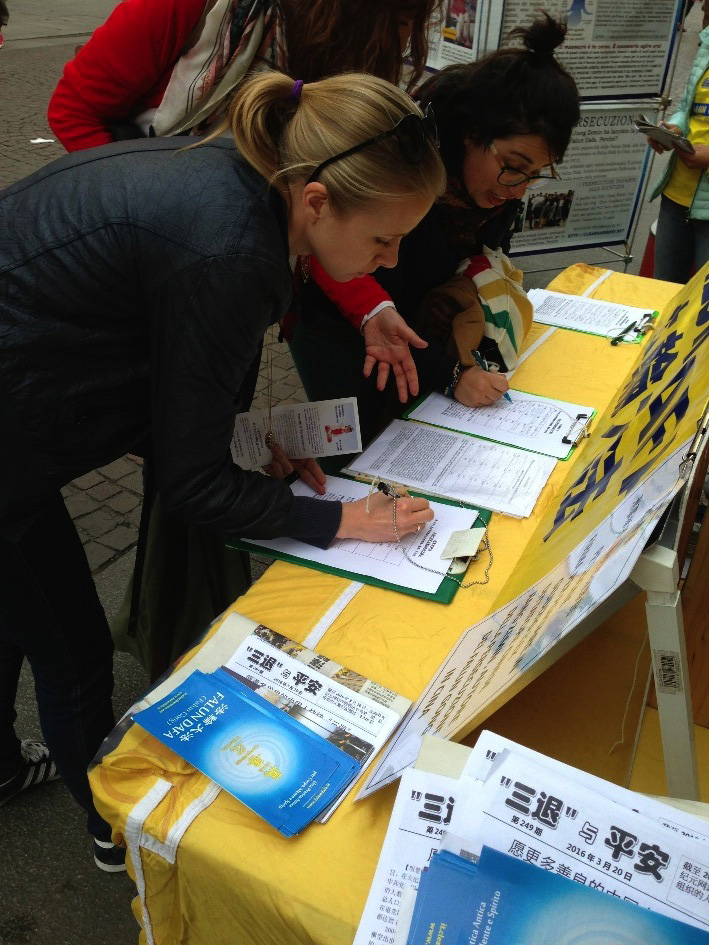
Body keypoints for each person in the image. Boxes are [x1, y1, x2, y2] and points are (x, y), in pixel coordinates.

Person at [0, 71, 443, 869]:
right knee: (73, 652)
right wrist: (344, 519)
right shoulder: (234, 249)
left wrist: (235, 437)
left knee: (21, 602)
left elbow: (153, 368)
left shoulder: (239, 174)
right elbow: (194, 485)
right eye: (383, 240)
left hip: (26, 396)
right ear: (317, 202)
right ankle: (114, 832)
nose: (391, 259)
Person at [288, 13, 581, 445]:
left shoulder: (493, 186)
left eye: (536, 174)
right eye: (514, 167)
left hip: (412, 331)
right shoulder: (409, 172)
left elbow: (484, 255)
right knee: (350, 446)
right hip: (347, 320)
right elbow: (360, 283)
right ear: (471, 133)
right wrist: (451, 375)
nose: (519, 190)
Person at [47, 0, 441, 152]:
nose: (405, 42)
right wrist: (139, 213)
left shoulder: (332, 55)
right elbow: (73, 110)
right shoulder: (194, 7)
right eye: (402, 21)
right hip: (143, 236)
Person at [648, 25, 709, 284]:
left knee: (703, 301)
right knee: (663, 291)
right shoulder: (707, 42)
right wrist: (673, 129)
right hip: (676, 196)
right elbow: (688, 108)